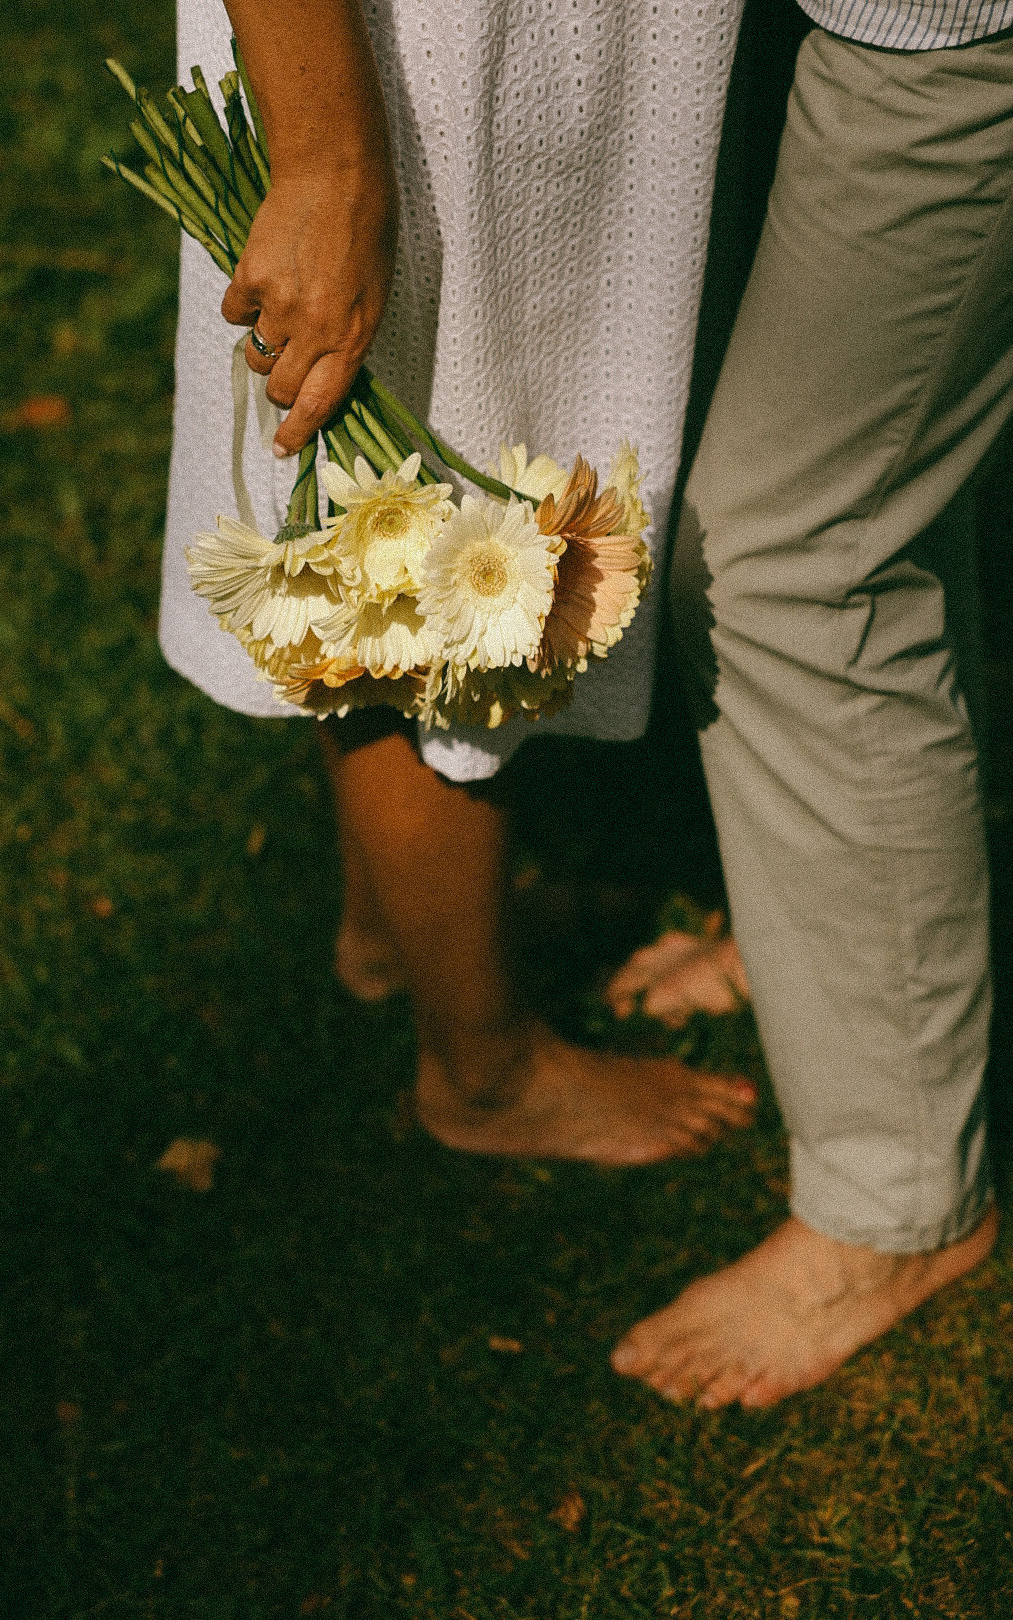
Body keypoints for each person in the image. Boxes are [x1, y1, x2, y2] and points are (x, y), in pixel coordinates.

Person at [161, 0, 1009, 1405]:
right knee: (406, 540)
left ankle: (416, 946)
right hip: (422, 72)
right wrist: (326, 159)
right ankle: (480, 1061)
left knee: (393, 502)